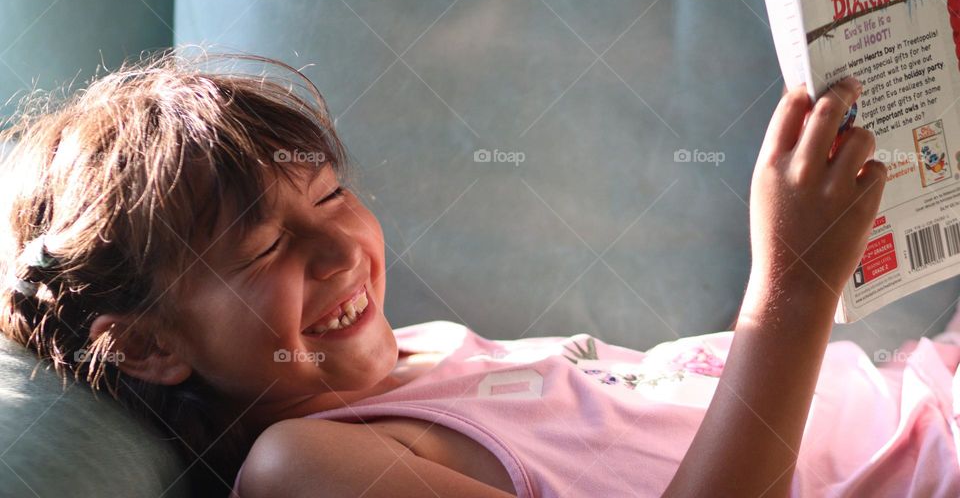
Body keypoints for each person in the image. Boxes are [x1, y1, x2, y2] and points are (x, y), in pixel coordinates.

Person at [1, 48, 958, 497]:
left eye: (330, 198)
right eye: (261, 249)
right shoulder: (309, 465)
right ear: (149, 343)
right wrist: (791, 287)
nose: (339, 253)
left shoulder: (418, 358)